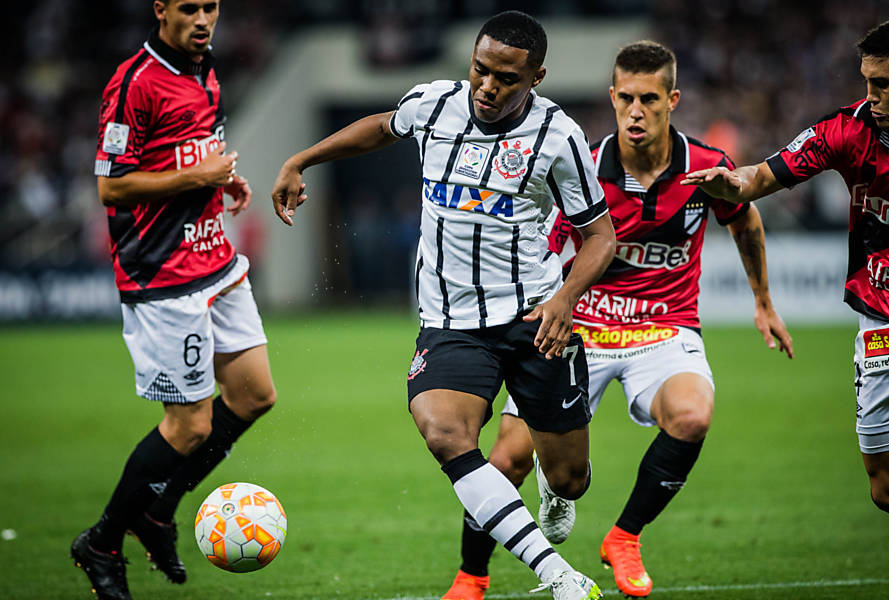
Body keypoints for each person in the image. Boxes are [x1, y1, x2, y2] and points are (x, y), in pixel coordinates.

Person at [272, 10, 615, 600]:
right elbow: (383, 125)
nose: (487, 86)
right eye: (480, 70)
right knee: (444, 433)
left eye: (506, 78)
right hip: (451, 323)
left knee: (571, 476)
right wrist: (301, 160)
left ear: (536, 76)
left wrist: (566, 297)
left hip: (535, 319)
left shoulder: (559, 138)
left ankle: (553, 486)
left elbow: (601, 235)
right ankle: (556, 574)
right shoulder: (436, 103)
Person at [439, 40, 794, 600]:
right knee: (505, 458)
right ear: (612, 97)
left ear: (672, 100)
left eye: (649, 99)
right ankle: (471, 576)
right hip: (582, 326)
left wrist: (764, 302)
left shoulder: (706, 167)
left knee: (693, 415)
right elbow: (546, 249)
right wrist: (545, 307)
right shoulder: (579, 163)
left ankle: (624, 537)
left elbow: (744, 220)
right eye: (625, 97)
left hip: (664, 326)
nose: (636, 111)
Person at [682, 15, 889, 599]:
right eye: (865, 82)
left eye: (882, 85)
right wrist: (724, 186)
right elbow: (756, 178)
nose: (870, 97)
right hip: (882, 315)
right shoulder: (848, 131)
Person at [71, 2, 277, 599]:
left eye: (210, 7)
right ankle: (103, 542)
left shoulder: (205, 70)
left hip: (214, 255)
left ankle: (156, 514)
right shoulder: (134, 82)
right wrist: (196, 180)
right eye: (190, 8)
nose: (204, 18)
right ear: (161, 10)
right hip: (161, 273)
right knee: (189, 424)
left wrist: (223, 179)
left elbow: (191, 152)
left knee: (255, 394)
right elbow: (112, 185)